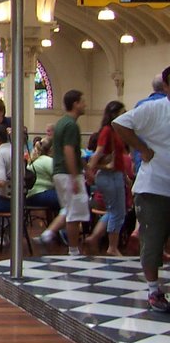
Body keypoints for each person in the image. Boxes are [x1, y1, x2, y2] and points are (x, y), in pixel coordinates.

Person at [113, 68, 170, 311]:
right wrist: (142, 149)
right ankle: (153, 289)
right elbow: (120, 123)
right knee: (153, 239)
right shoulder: (155, 108)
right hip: (154, 187)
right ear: (166, 87)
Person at [85, 100, 128, 256]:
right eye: (123, 112)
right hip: (109, 175)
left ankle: (96, 237)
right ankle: (112, 246)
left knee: (116, 211)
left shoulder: (116, 130)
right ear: (114, 114)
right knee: (118, 211)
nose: (125, 115)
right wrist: (89, 171)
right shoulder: (107, 131)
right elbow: (99, 152)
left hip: (115, 174)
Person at [52, 89, 89, 256]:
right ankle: (73, 250)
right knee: (74, 213)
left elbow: (72, 151)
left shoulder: (61, 123)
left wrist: (85, 169)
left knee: (70, 210)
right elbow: (69, 151)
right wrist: (75, 177)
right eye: (83, 101)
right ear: (75, 104)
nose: (85, 105)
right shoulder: (71, 125)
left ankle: (69, 246)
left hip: (61, 172)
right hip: (68, 173)